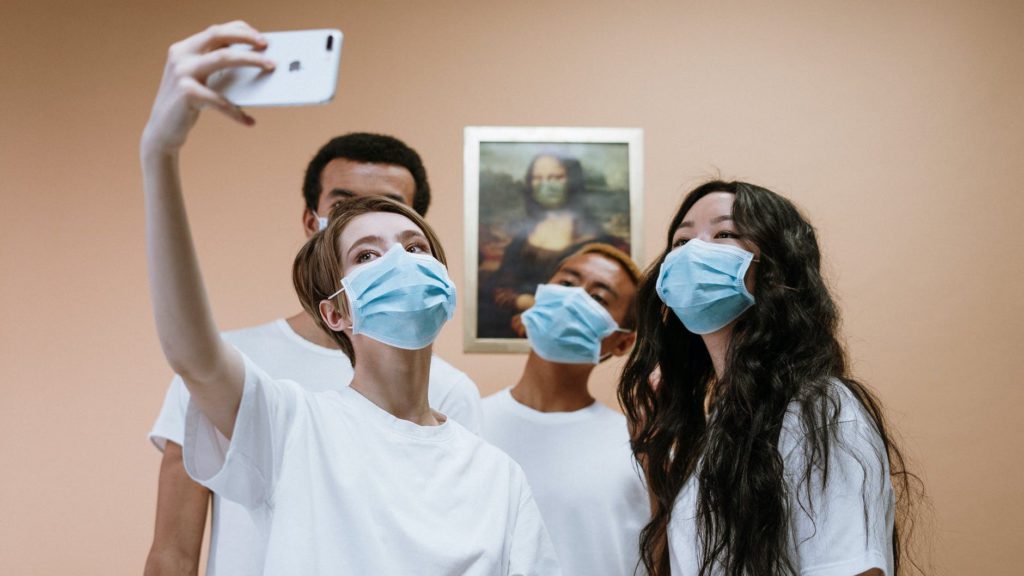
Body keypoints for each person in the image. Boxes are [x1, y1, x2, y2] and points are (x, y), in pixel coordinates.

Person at [140, 22, 523, 576]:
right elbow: (172, 548)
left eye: (409, 242)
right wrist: (160, 152)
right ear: (334, 305)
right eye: (363, 247)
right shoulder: (285, 414)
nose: (391, 254)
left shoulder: (487, 458)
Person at [619, 181, 918, 576]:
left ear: (775, 266)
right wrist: (652, 454)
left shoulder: (822, 410)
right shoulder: (713, 429)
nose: (693, 251)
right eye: (681, 241)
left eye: (723, 233)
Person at [481, 242, 650, 576]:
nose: (574, 299)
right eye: (567, 284)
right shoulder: (468, 424)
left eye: (599, 298)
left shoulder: (637, 447)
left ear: (622, 342)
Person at [480, 152, 619, 338]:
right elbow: (499, 286)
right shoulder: (521, 240)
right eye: (538, 178)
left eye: (555, 177)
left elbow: (598, 303)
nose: (546, 184)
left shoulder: (596, 240)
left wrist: (536, 306)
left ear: (572, 182)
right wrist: (519, 301)